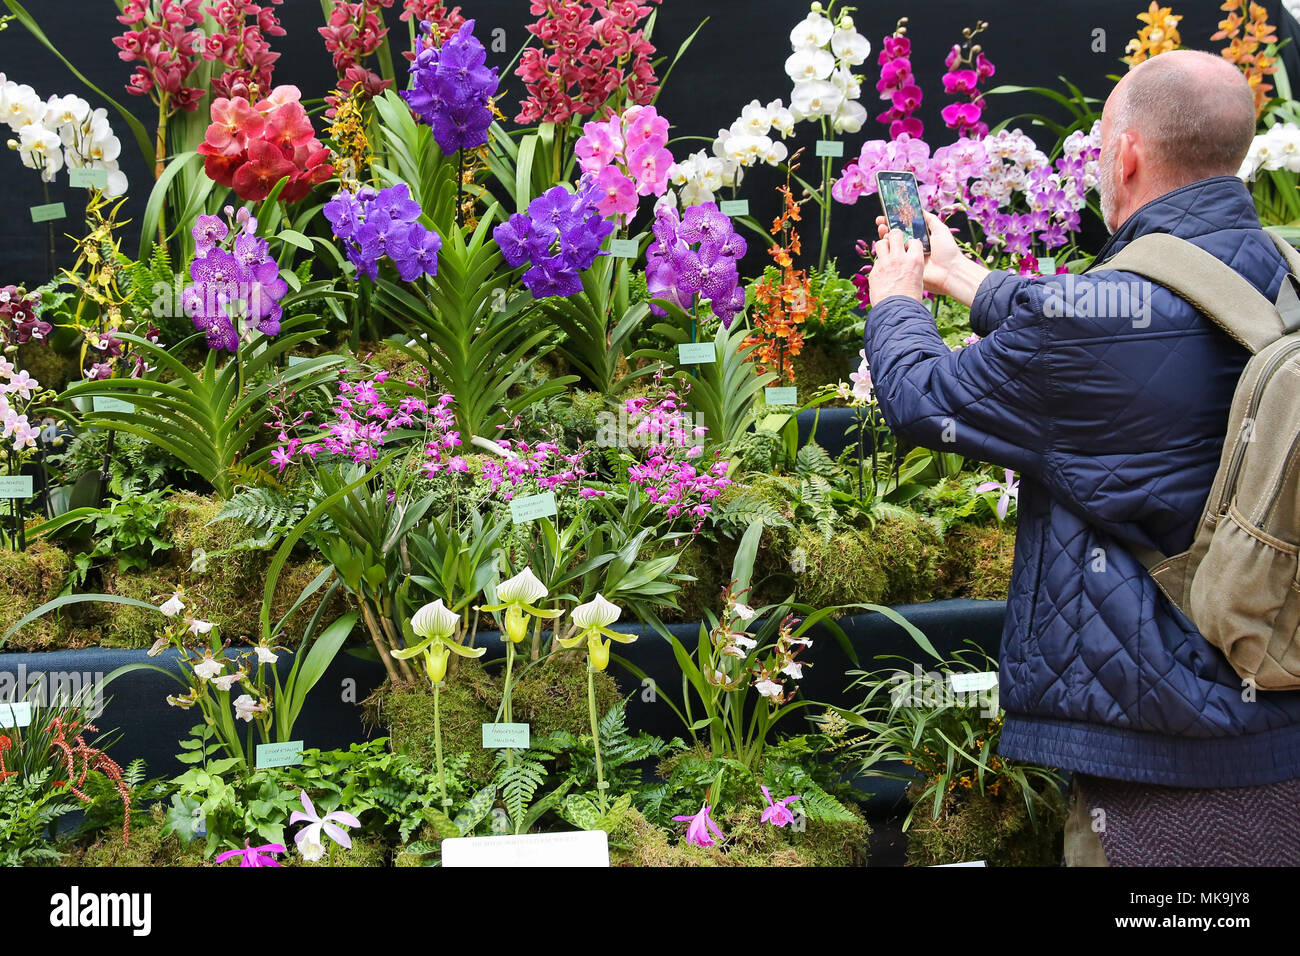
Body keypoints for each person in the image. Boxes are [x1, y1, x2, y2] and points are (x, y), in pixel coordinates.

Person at [863, 48, 1300, 866]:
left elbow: (924, 400)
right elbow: (1134, 318)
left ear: (1128, 154)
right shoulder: (1287, 274)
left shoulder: (1085, 323)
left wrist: (897, 300)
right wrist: (968, 279)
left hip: (1164, 773)